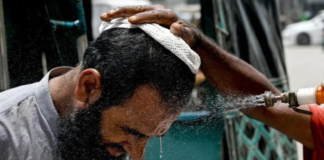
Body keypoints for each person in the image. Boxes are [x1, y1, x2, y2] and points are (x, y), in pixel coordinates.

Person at [0, 5, 317, 160]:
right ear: (88, 87)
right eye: (131, 132)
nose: (137, 156)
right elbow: (268, 105)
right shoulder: (7, 136)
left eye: (151, 138)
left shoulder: (103, 136)